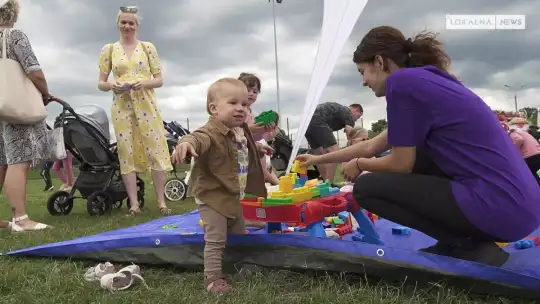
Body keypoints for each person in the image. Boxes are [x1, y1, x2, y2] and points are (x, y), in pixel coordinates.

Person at [297, 26, 540, 267]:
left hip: (500, 206)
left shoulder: (401, 82)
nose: (363, 82)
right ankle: (458, 243)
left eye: (363, 72)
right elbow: (371, 145)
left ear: (379, 62)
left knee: (366, 188)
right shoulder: (425, 81)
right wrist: (317, 160)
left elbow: (401, 164)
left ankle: (467, 245)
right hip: (520, 207)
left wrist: (360, 165)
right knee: (421, 152)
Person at [171, 78, 270, 294]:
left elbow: (240, 148)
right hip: (212, 198)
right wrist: (186, 144)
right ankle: (213, 278)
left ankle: (236, 265)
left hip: (233, 195)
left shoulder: (239, 129)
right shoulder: (211, 131)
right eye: (233, 103)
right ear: (214, 108)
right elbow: (198, 138)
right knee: (216, 240)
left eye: (244, 104)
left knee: (238, 235)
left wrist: (259, 151)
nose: (241, 108)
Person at [97, 6, 172, 216]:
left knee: (156, 149)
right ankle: (134, 204)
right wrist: (113, 85)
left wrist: (144, 83)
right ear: (118, 24)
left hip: (146, 105)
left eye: (131, 23)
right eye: (123, 22)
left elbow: (159, 80)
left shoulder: (148, 47)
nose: (127, 26)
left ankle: (161, 201)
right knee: (126, 152)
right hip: (122, 107)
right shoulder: (109, 49)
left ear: (136, 26)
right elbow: (101, 83)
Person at [0, 0, 52, 232]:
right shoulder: (13, 36)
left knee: (1, 161)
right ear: (12, 15)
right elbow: (34, 71)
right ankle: (21, 219)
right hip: (12, 105)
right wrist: (45, 93)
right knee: (18, 161)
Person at [305, 102, 363, 184]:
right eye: (358, 116)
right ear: (357, 110)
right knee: (335, 152)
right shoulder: (348, 113)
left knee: (319, 155)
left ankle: (324, 182)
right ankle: (329, 184)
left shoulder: (339, 110)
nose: (356, 119)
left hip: (306, 121)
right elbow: (351, 136)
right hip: (318, 119)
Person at [238, 72, 279, 185]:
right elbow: (231, 131)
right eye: (248, 90)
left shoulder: (254, 115)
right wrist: (249, 128)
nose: (251, 94)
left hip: (249, 151)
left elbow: (257, 137)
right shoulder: (235, 112)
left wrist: (268, 132)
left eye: (255, 91)